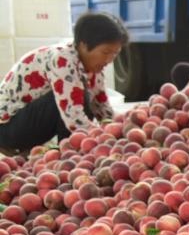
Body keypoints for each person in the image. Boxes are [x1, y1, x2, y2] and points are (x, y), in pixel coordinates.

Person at [0, 11, 127, 154]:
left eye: (115, 53)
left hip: (27, 122)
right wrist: (101, 140)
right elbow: (74, 118)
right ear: (83, 45)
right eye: (105, 52)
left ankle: (72, 153)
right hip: (7, 127)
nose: (110, 60)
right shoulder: (63, 60)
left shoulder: (94, 68)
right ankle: (70, 155)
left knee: (84, 97)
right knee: (77, 97)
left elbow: (102, 109)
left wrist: (124, 130)